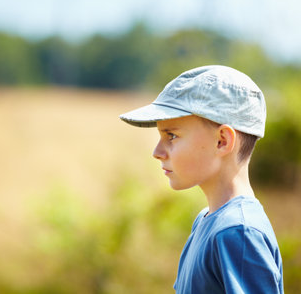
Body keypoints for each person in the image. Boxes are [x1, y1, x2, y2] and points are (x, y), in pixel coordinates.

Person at [119, 65, 284, 293]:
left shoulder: (238, 231)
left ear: (222, 141)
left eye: (172, 136)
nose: (157, 151)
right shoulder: (208, 221)